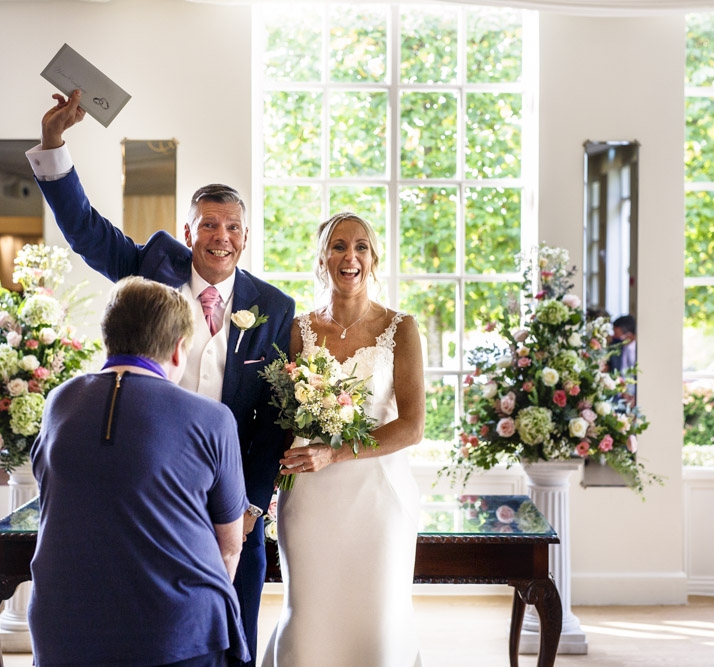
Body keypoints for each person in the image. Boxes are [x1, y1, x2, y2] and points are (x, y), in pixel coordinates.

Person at [26, 89, 295, 667]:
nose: (220, 237)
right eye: (208, 226)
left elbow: (274, 414)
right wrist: (54, 146)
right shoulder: (154, 266)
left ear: (246, 235)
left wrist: (251, 504)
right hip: (143, 482)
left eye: (232, 227)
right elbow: (86, 231)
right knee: (131, 618)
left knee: (232, 633)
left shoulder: (273, 305)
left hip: (231, 495)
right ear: (188, 229)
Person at [28, 276, 249, 667]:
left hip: (63, 628)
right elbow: (229, 547)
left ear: (108, 338)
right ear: (179, 350)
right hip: (176, 635)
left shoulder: (59, 402)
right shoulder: (211, 418)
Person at [260, 212, 426, 667]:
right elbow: (282, 417)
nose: (349, 256)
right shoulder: (298, 330)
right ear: (321, 258)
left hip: (379, 498)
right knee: (312, 612)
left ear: (373, 260)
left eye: (360, 247)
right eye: (338, 246)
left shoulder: (401, 329)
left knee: (377, 614)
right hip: (311, 498)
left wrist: (334, 452)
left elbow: (412, 426)